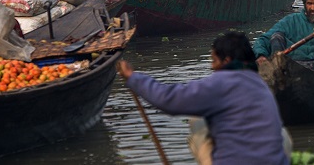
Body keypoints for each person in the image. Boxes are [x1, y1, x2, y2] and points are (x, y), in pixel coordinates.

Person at [119, 31, 288, 165]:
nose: (212, 66)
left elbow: (170, 99)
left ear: (226, 60)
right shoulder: (258, 82)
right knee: (282, 134)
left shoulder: (223, 81)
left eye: (214, 60)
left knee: (198, 123)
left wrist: (133, 78)